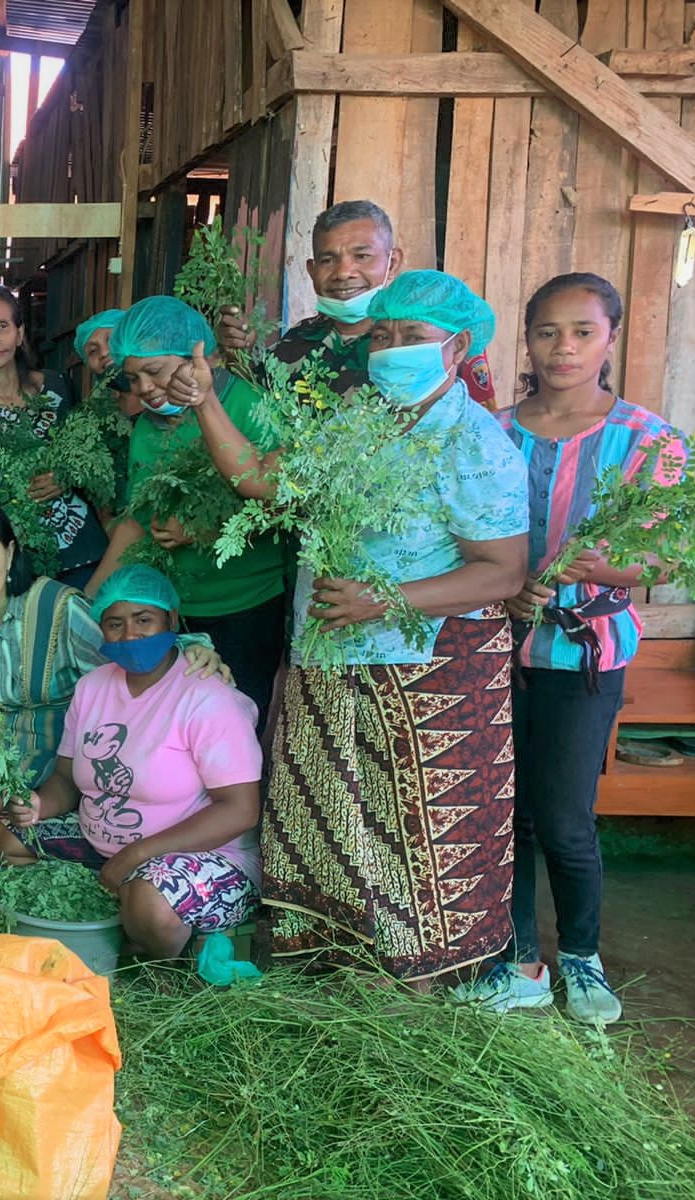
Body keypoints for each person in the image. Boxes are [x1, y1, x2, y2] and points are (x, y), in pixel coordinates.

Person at [179, 269, 530, 983]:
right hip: (330, 653)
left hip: (428, 665)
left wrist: (384, 597)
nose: (393, 347)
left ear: (458, 347)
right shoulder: (355, 419)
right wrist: (208, 400)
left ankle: (426, 978)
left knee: (416, 836)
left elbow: (502, 572)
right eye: (384, 336)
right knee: (331, 819)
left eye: (413, 337)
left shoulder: (474, 442)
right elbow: (256, 478)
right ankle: (335, 967)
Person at [458, 274, 690, 1023]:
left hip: (584, 657)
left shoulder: (649, 441)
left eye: (583, 332)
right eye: (548, 331)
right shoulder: (489, 429)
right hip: (491, 651)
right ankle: (520, 958)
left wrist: (601, 570)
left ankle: (583, 959)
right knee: (505, 814)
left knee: (563, 816)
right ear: (527, 339)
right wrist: (504, 586)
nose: (564, 347)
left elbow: (667, 559)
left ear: (610, 339)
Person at [0, 565, 261, 958]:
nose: (130, 635)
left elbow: (240, 811)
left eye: (144, 620)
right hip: (104, 848)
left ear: (173, 620)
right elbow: (66, 778)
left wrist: (137, 855)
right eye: (115, 624)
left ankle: (158, 964)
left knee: (148, 901)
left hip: (205, 856)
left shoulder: (206, 696)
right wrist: (38, 805)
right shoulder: (92, 687)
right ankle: (112, 923)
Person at [0, 500, 225, 836]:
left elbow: (126, 657)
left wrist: (188, 647)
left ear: (9, 554)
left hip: (73, 764)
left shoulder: (56, 608)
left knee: (4, 827)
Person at [85, 297, 288, 732]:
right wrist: (92, 597)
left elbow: (285, 508)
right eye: (133, 376)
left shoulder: (247, 406)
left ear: (199, 354)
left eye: (155, 371)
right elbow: (137, 519)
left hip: (246, 606)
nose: (144, 387)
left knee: (234, 728)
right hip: (177, 612)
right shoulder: (147, 426)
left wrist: (201, 530)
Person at [217, 199, 496, 405]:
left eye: (362, 257)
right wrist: (239, 352)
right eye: (328, 260)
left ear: (393, 261)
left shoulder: (428, 345)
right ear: (312, 271)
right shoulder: (296, 341)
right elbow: (255, 415)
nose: (343, 273)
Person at [0, 285, 109, 589]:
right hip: (19, 560)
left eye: (3, 326)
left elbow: (92, 455)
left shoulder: (58, 386)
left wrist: (66, 475)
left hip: (85, 548)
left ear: (19, 334)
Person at [74, 307, 129, 408]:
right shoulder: (97, 416)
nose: (103, 353)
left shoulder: (164, 400)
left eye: (111, 340)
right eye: (92, 351)